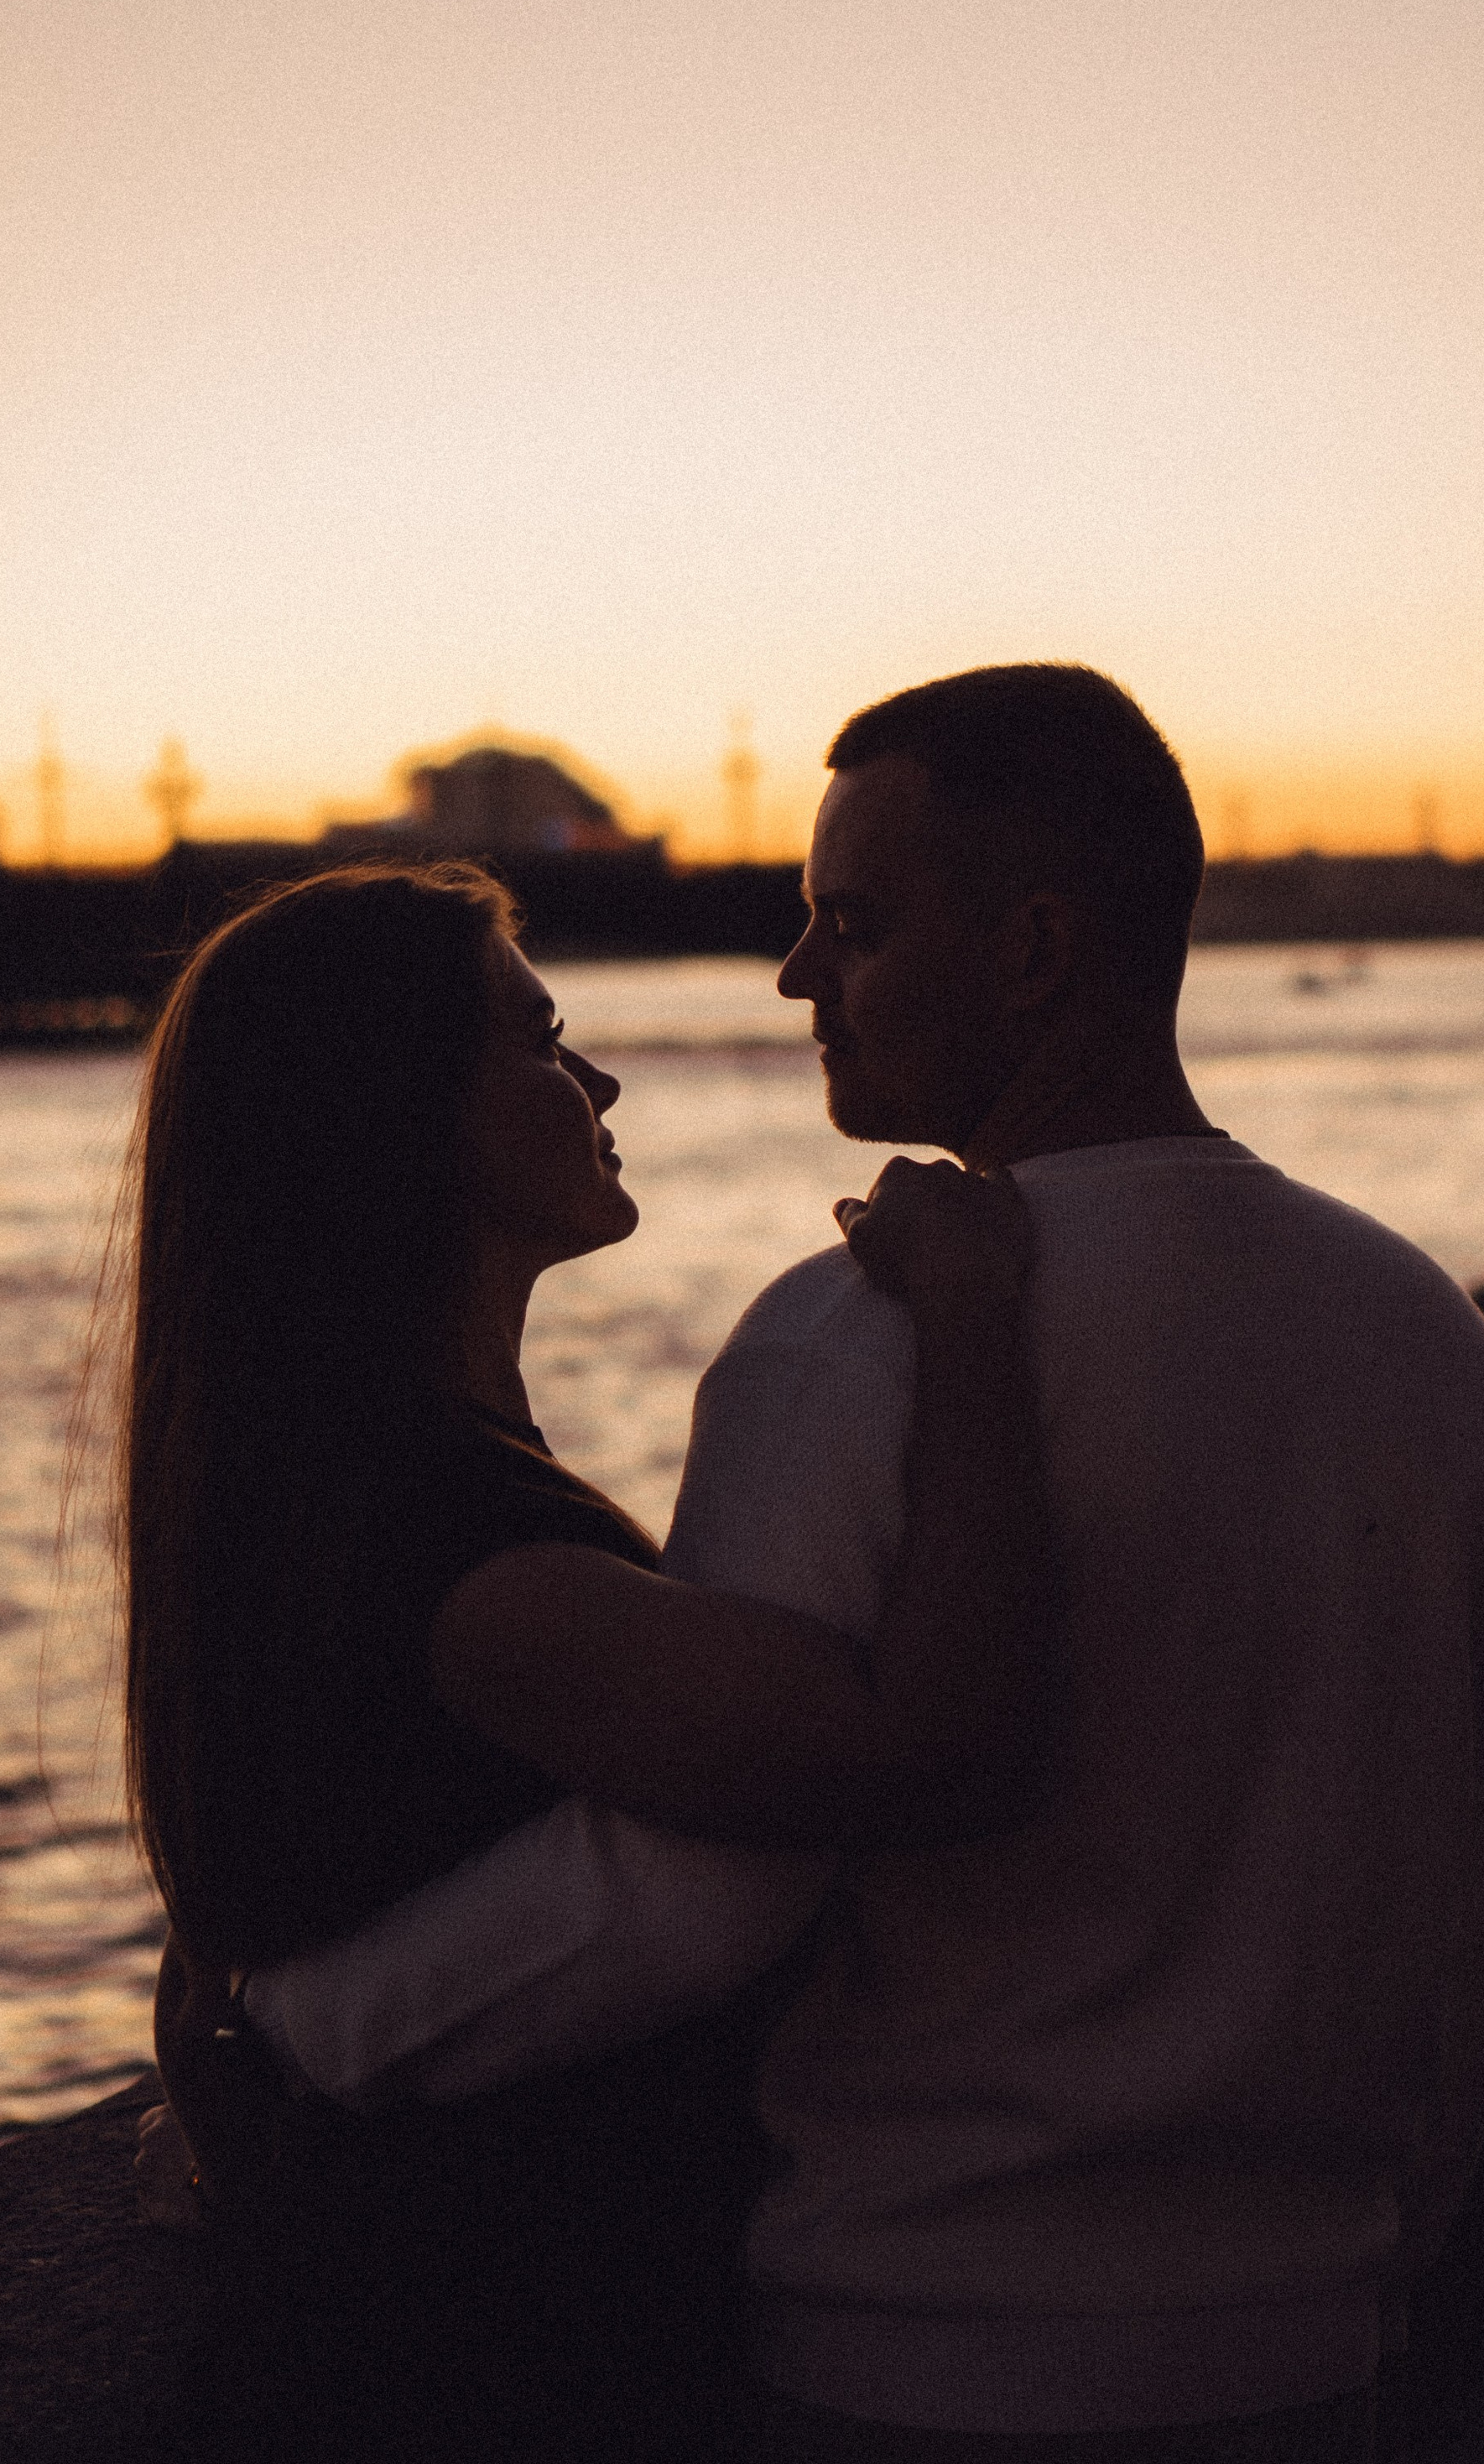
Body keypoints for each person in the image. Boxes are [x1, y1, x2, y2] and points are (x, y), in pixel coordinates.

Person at [241, 668, 1484, 2464]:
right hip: (1310, 2344)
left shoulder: (847, 1346)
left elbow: (703, 1889)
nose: (795, 977)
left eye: (847, 925)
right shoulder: (1432, 1344)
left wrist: (303, 2026)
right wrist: (1375, 2271)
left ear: (1029, 950)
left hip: (922, 2350)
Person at [114, 860, 1052, 2461]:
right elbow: (936, 1748)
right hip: (492, 2384)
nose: (598, 1077)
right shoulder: (466, 1554)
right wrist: (973, 1326)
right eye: (539, 1037)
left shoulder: (340, 1482)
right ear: (396, 1114)